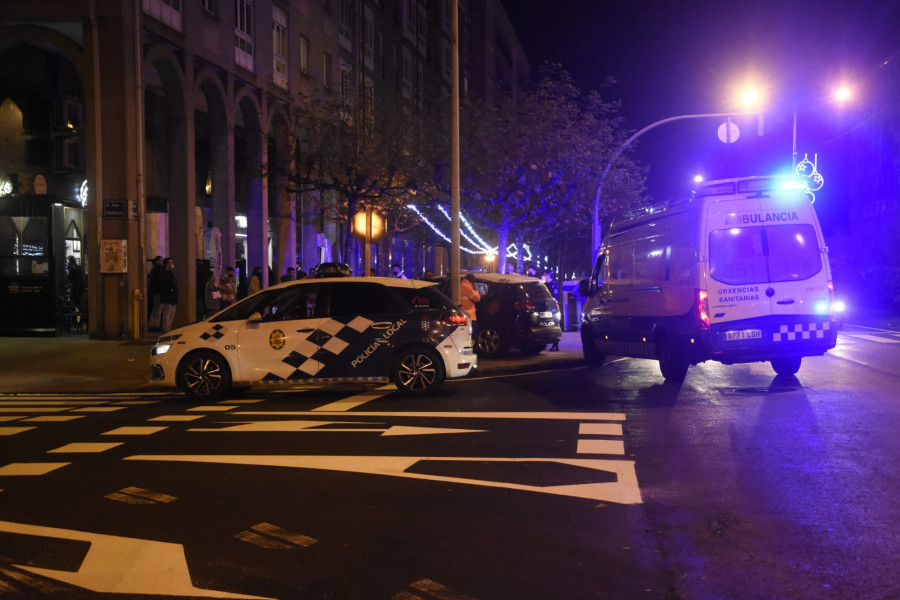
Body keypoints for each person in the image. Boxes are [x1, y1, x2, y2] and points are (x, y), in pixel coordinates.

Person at [158, 257, 178, 333]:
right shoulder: (163, 272)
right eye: (170, 262)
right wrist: (169, 289)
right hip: (167, 295)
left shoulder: (170, 272)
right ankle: (165, 327)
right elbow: (162, 283)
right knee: (167, 312)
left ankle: (169, 326)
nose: (172, 264)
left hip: (173, 296)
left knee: (172, 312)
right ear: (167, 264)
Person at [543, 271, 560, 351]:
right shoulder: (546, 284)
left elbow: (554, 297)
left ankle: (555, 344)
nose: (544, 276)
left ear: (549, 276)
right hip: (547, 307)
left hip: (553, 308)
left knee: (555, 324)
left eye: (545, 275)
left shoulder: (554, 285)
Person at [147, 255, 164, 331]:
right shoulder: (158, 269)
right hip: (157, 292)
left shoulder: (154, 269)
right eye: (161, 260)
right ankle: (155, 325)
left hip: (154, 291)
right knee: (157, 309)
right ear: (157, 261)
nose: (162, 262)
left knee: (156, 309)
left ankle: (153, 324)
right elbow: (158, 281)